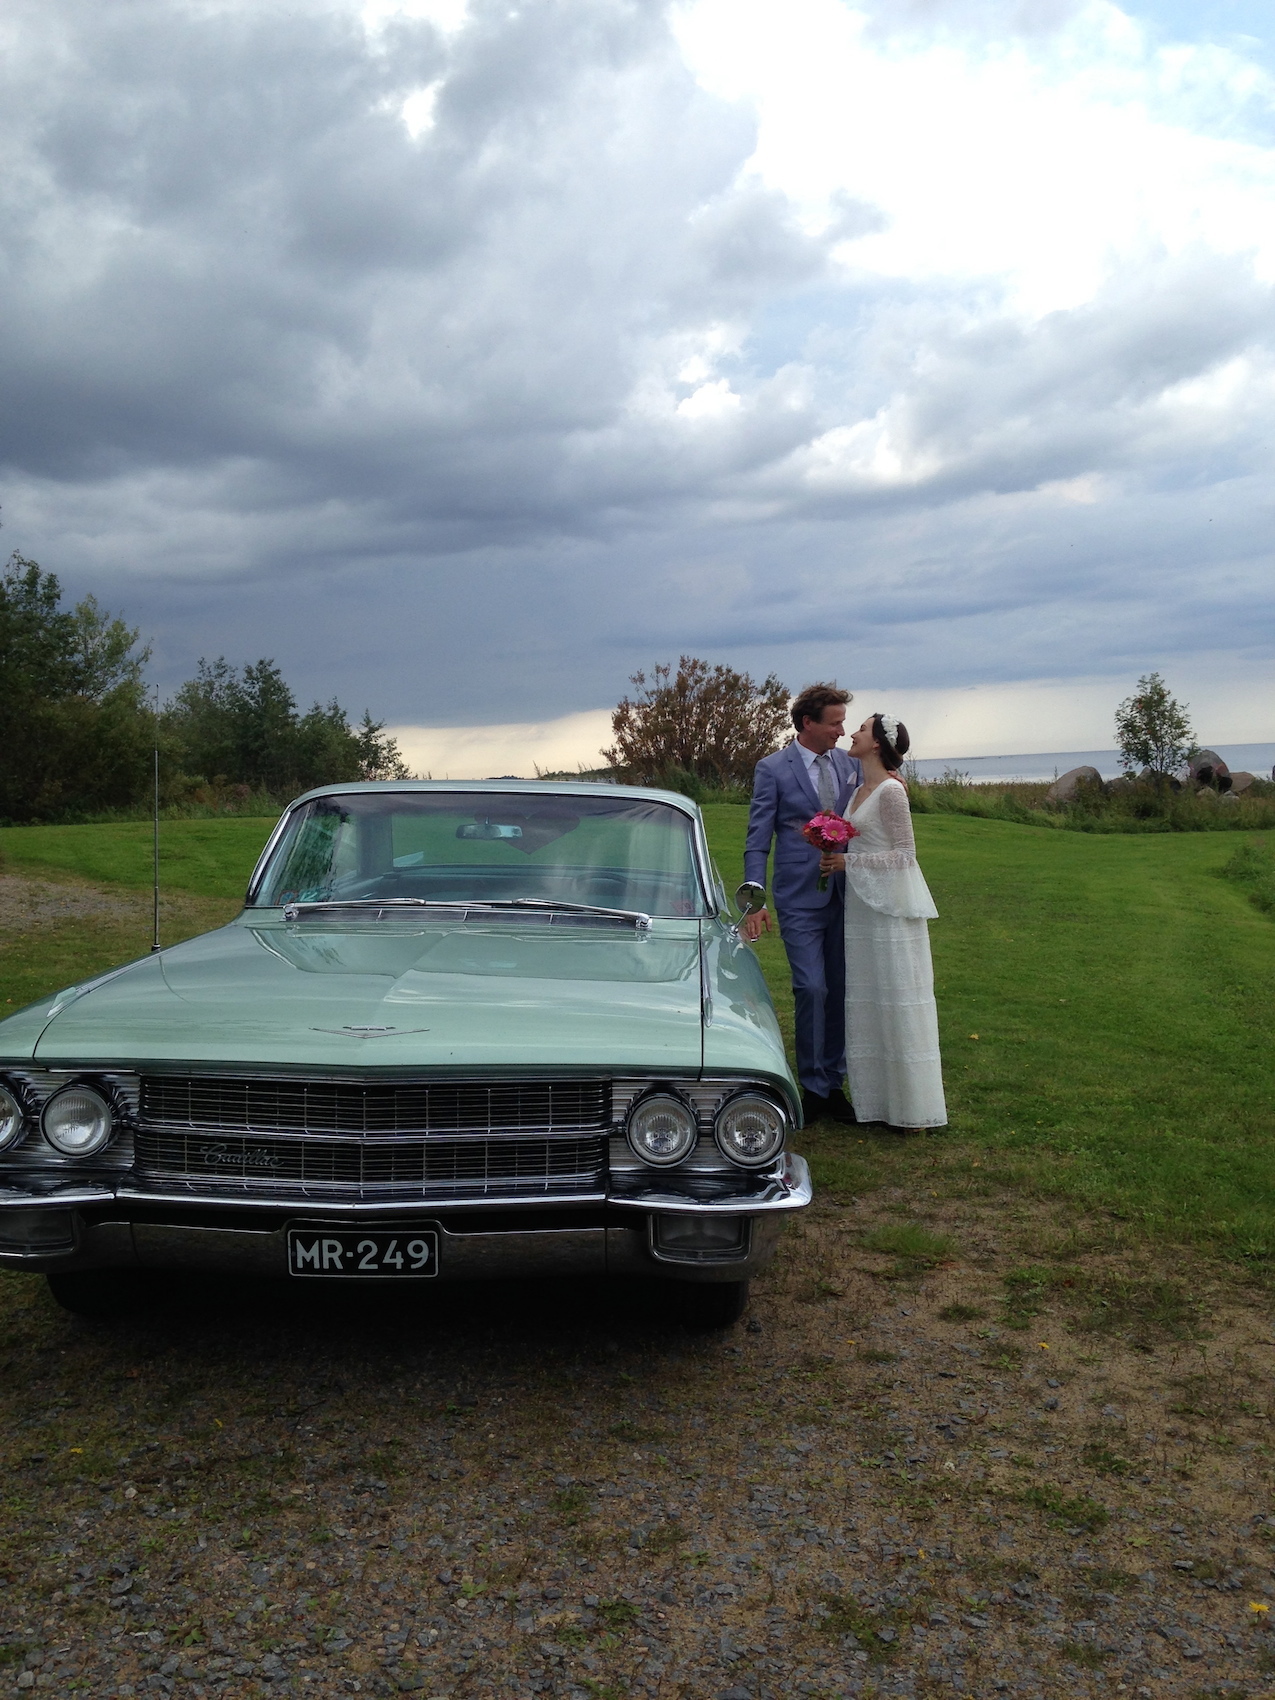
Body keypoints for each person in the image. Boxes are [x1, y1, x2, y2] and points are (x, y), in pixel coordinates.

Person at [818, 713, 947, 1130]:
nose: (852, 733)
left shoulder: (892, 792)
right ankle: (877, 1104)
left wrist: (848, 863)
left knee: (895, 997)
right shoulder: (858, 790)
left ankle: (912, 1109)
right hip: (862, 907)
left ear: (877, 743)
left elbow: (906, 854)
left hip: (890, 909)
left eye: (861, 728)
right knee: (869, 999)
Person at [742, 684, 863, 1124]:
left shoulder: (852, 765)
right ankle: (812, 1087)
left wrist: (896, 777)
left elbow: (877, 796)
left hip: (849, 895)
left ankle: (833, 1084)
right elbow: (758, 840)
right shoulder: (772, 768)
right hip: (797, 897)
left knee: (840, 989)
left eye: (843, 723)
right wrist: (754, 899)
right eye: (834, 723)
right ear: (807, 723)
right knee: (811, 987)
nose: (841, 731)